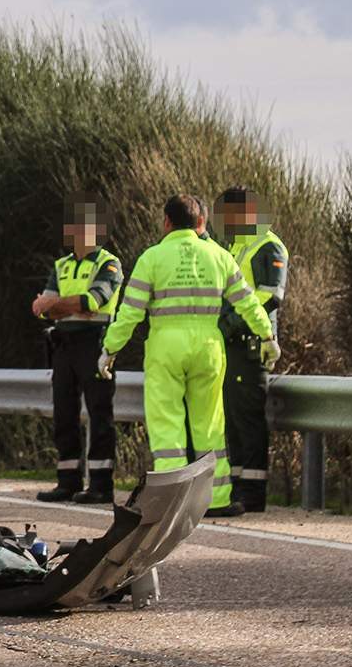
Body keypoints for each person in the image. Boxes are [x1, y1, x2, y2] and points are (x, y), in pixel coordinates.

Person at [99, 194, 276, 517]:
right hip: (209, 346)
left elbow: (130, 313)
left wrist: (110, 349)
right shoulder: (219, 255)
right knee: (209, 425)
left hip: (166, 346)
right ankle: (218, 499)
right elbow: (248, 302)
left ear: (166, 222)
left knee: (168, 427)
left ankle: (170, 504)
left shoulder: (152, 258)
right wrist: (267, 335)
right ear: (200, 223)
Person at [31, 197, 123, 503]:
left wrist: (56, 305)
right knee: (64, 414)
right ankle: (67, 481)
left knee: (99, 414)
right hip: (64, 346)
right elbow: (40, 309)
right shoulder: (62, 265)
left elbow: (92, 302)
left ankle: (100, 484)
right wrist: (58, 307)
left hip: (94, 343)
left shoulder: (108, 263)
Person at [215, 186, 288, 511]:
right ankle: (238, 490)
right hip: (230, 345)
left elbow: (269, 295)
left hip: (250, 344)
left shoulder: (268, 245)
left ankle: (252, 493)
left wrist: (228, 323)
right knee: (232, 419)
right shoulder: (235, 249)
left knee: (247, 419)